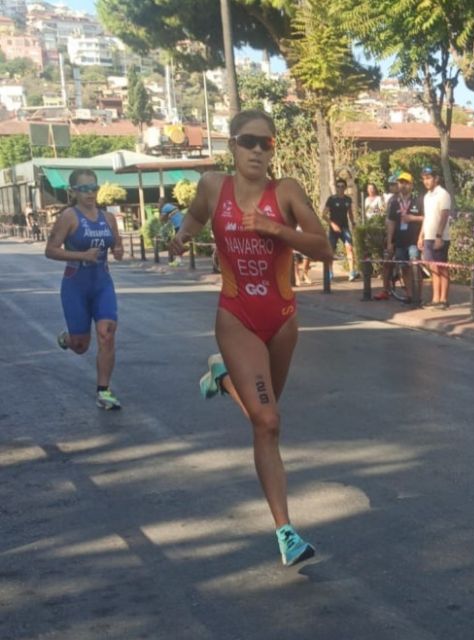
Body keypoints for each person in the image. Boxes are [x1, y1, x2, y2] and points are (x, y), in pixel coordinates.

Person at [169, 109, 332, 567]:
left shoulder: (286, 193)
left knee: (266, 418)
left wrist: (276, 229)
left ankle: (223, 379)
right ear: (233, 145)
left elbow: (325, 248)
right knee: (268, 422)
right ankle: (286, 533)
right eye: (249, 142)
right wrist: (182, 236)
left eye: (267, 144)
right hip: (236, 316)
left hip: (280, 321)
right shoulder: (212, 187)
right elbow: (197, 217)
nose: (258, 151)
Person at [45, 169, 124, 410]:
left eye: (94, 187)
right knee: (81, 346)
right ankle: (67, 338)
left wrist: (118, 251)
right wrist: (81, 255)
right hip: (75, 285)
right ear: (74, 192)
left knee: (106, 333)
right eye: (84, 189)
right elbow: (50, 250)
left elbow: (117, 242)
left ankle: (104, 391)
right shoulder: (69, 217)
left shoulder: (108, 218)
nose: (90, 193)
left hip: (102, 284)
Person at [386, 172, 424, 303]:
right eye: (401, 182)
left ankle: (418, 296)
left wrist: (412, 218)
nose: (403, 185)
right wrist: (390, 242)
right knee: (404, 268)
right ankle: (409, 294)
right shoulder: (394, 202)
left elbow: (426, 218)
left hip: (413, 240)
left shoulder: (418, 200)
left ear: (411, 185)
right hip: (400, 241)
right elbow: (391, 222)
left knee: (415, 268)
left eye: (406, 183)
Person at [418, 166, 451, 309]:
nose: (426, 181)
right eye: (424, 178)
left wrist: (439, 236)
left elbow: (444, 215)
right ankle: (435, 298)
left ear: (436, 178)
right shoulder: (426, 196)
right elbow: (427, 218)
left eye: (429, 178)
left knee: (442, 268)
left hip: (440, 237)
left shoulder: (443, 194)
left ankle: (443, 299)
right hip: (428, 237)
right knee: (433, 268)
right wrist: (421, 236)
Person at [323, 178, 359, 281]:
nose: (340, 189)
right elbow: (323, 215)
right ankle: (330, 271)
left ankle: (351, 272)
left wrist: (353, 222)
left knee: (349, 248)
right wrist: (332, 224)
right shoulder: (332, 199)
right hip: (333, 229)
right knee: (331, 250)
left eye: (342, 187)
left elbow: (350, 213)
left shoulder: (348, 199)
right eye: (338, 186)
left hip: (344, 228)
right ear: (336, 188)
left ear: (345, 188)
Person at [373, 174, 400, 300]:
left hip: (399, 235)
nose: (391, 187)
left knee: (393, 262)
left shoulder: (401, 199)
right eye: (390, 185)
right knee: (387, 263)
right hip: (391, 234)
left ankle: (388, 289)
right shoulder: (391, 200)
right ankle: (386, 289)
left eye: (394, 184)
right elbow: (387, 219)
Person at [160, 201, 185, 266]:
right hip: (182, 224)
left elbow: (162, 219)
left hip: (178, 226)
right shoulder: (169, 206)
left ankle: (178, 261)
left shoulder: (165, 208)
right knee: (178, 243)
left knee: (177, 243)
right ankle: (178, 260)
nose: (158, 204)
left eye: (159, 202)